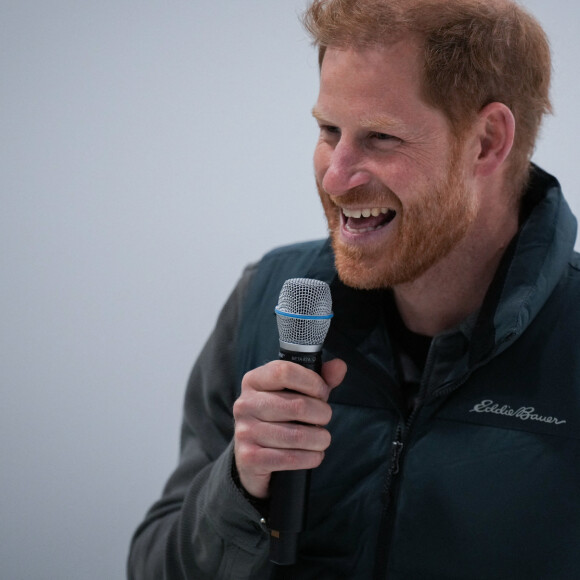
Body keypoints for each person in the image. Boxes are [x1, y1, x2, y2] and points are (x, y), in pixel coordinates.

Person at [128, 0, 580, 578]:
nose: (336, 176)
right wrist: (241, 487)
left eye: (382, 138)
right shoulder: (266, 302)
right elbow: (153, 569)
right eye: (328, 130)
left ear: (487, 141)